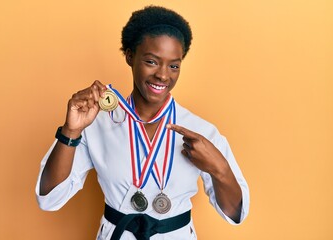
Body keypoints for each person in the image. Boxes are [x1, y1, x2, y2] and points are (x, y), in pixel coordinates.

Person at [35, 5, 249, 240]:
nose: (163, 75)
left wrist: (219, 168)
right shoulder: (95, 124)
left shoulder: (200, 131)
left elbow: (235, 214)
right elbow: (49, 199)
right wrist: (71, 131)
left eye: (174, 65)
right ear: (130, 56)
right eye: (152, 61)